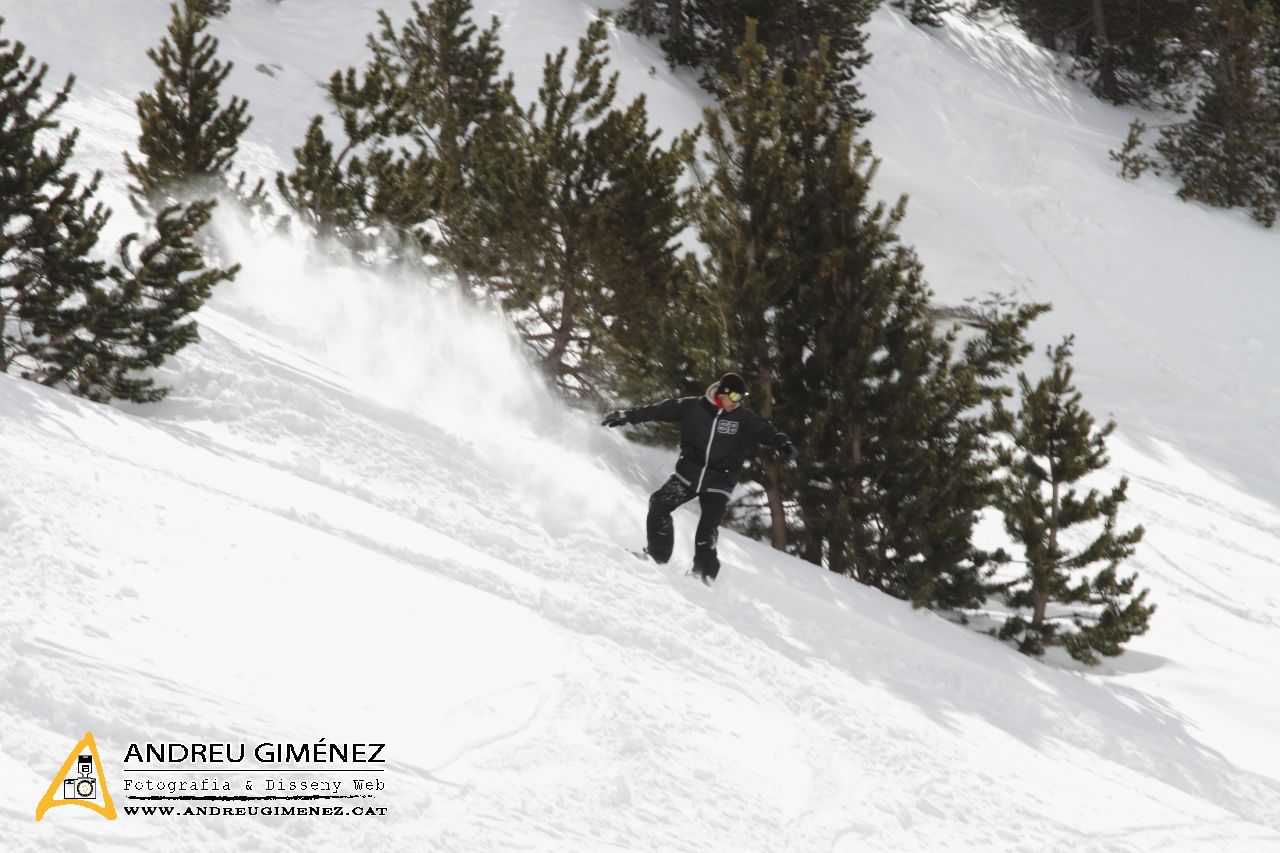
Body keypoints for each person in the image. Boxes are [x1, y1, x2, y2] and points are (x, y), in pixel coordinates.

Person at [602, 372, 798, 584]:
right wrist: (627, 416)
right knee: (659, 503)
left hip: (720, 481)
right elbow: (658, 411)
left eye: (741, 399)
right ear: (722, 393)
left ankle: (704, 573)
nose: (737, 403)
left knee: (707, 527)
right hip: (689, 473)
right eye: (734, 398)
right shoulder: (692, 407)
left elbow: (768, 432)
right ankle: (657, 555)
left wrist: (783, 443)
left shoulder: (743, 419)